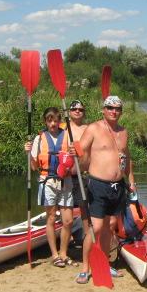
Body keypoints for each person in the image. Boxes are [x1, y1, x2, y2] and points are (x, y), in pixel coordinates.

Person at [76, 96, 136, 284]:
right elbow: (80, 149)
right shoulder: (94, 128)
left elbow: (127, 157)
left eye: (117, 108)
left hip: (118, 186)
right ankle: (85, 268)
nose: (113, 111)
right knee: (96, 228)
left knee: (110, 227)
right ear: (103, 109)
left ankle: (103, 262)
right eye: (110, 108)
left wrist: (131, 180)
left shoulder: (123, 132)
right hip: (98, 185)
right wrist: (74, 151)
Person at [24, 107, 75, 268]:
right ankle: (54, 255)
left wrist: (75, 152)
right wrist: (28, 153)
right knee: (51, 218)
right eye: (49, 120)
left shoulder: (67, 136)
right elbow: (33, 166)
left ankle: (63, 252)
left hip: (65, 181)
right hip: (47, 181)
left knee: (68, 220)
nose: (53, 123)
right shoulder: (39, 139)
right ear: (45, 121)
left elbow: (77, 158)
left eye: (55, 120)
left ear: (60, 121)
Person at [65, 99, 88, 242]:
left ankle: (87, 238)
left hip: (84, 176)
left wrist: (78, 148)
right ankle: (65, 245)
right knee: (64, 210)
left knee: (85, 209)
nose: (77, 111)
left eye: (80, 109)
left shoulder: (88, 129)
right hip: (66, 176)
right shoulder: (63, 129)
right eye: (74, 109)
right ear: (69, 112)